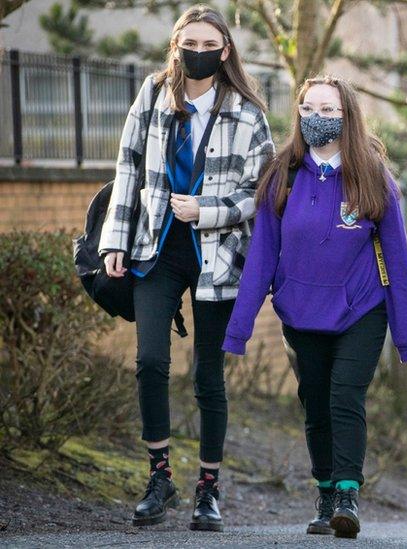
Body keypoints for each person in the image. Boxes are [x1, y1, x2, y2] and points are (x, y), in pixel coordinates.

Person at [222, 75, 407, 539]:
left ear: (347, 116)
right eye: (310, 108)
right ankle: (326, 492)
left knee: (344, 396)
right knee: (315, 403)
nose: (319, 118)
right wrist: (239, 329)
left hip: (360, 310)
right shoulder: (281, 176)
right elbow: (261, 258)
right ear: (298, 112)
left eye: (330, 110)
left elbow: (399, 260)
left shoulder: (373, 176)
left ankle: (348, 494)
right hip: (300, 311)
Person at [99, 4, 273, 531]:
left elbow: (259, 194)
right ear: (176, 46)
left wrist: (208, 210)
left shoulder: (247, 112)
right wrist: (116, 240)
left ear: (226, 51)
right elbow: (128, 169)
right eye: (189, 44)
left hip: (217, 256)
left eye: (209, 45)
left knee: (208, 376)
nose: (198, 54)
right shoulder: (152, 96)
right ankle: (160, 478)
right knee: (151, 361)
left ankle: (208, 488)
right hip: (157, 247)